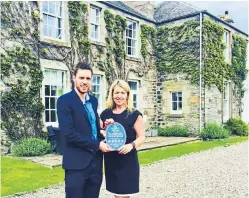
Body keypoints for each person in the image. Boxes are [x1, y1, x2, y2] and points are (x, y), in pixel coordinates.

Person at [57, 62, 113, 198]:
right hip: (76, 163)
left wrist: (104, 127)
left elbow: (91, 126)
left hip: (96, 162)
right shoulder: (64, 101)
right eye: (81, 78)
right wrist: (98, 144)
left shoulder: (93, 101)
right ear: (74, 78)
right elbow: (69, 133)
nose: (84, 82)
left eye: (88, 79)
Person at [100, 79, 146, 198]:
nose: (119, 96)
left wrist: (131, 145)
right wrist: (105, 129)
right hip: (111, 160)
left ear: (127, 95)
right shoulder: (105, 114)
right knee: (116, 195)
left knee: (122, 195)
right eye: (116, 93)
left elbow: (142, 137)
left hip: (127, 161)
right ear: (112, 94)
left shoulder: (134, 114)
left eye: (122, 93)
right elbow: (100, 134)